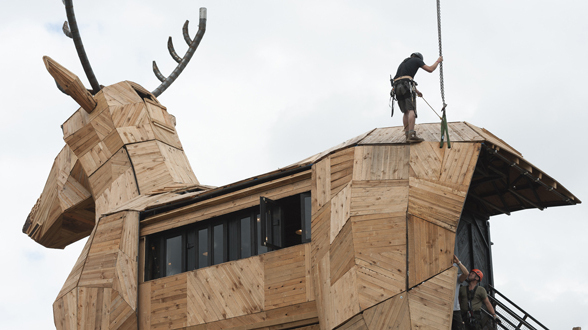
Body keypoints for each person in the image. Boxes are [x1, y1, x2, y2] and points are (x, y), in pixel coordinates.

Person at [392, 52, 443, 143]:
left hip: (396, 87)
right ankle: (411, 135)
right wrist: (438, 61)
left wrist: (417, 92)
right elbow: (430, 69)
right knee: (411, 110)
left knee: (405, 111)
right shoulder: (417, 60)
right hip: (406, 85)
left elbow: (403, 79)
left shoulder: (404, 62)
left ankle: (407, 134)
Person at [452, 255, 469, 330]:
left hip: (455, 309)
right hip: (441, 308)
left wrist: (458, 262)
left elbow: (466, 274)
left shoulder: (457, 278)